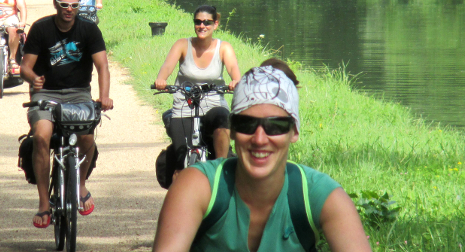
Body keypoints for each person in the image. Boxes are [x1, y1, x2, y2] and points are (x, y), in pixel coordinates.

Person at [152, 63, 371, 252]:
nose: (259, 139)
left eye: (275, 126)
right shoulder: (197, 186)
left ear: (294, 132)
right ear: (233, 130)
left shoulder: (320, 195)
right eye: (247, 124)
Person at [20, 0, 114, 229]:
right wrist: (33, 78)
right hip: (46, 94)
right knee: (41, 136)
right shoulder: (41, 29)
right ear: (56, 4)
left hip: (79, 94)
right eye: (64, 5)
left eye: (74, 5)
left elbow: (102, 66)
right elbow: (25, 67)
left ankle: (81, 183)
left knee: (87, 139)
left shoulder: (89, 30)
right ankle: (43, 203)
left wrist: (104, 96)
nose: (69, 9)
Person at [154, 5, 241, 173]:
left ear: (215, 24)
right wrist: (161, 80)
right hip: (184, 106)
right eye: (198, 22)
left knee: (222, 119)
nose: (202, 26)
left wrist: (235, 80)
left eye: (207, 22)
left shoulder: (224, 48)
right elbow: (166, 67)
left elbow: (233, 69)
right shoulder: (182, 45)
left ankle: (220, 172)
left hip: (214, 104)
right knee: (179, 164)